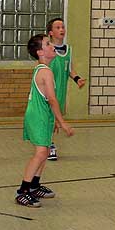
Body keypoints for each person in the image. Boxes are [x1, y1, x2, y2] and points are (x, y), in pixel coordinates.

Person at [16, 34, 74, 207]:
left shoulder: (42, 68)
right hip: (38, 117)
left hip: (44, 116)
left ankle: (34, 185)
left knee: (46, 150)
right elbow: (52, 99)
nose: (52, 46)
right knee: (41, 153)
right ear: (40, 52)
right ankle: (23, 191)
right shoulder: (45, 72)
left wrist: (54, 119)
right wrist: (62, 121)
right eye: (48, 44)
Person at [45, 17, 86, 161]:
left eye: (63, 27)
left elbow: (69, 69)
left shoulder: (68, 50)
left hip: (60, 92)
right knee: (49, 119)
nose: (61, 29)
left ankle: (46, 144)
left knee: (54, 119)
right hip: (48, 91)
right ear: (50, 32)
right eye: (57, 27)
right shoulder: (47, 50)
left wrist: (77, 79)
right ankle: (48, 145)